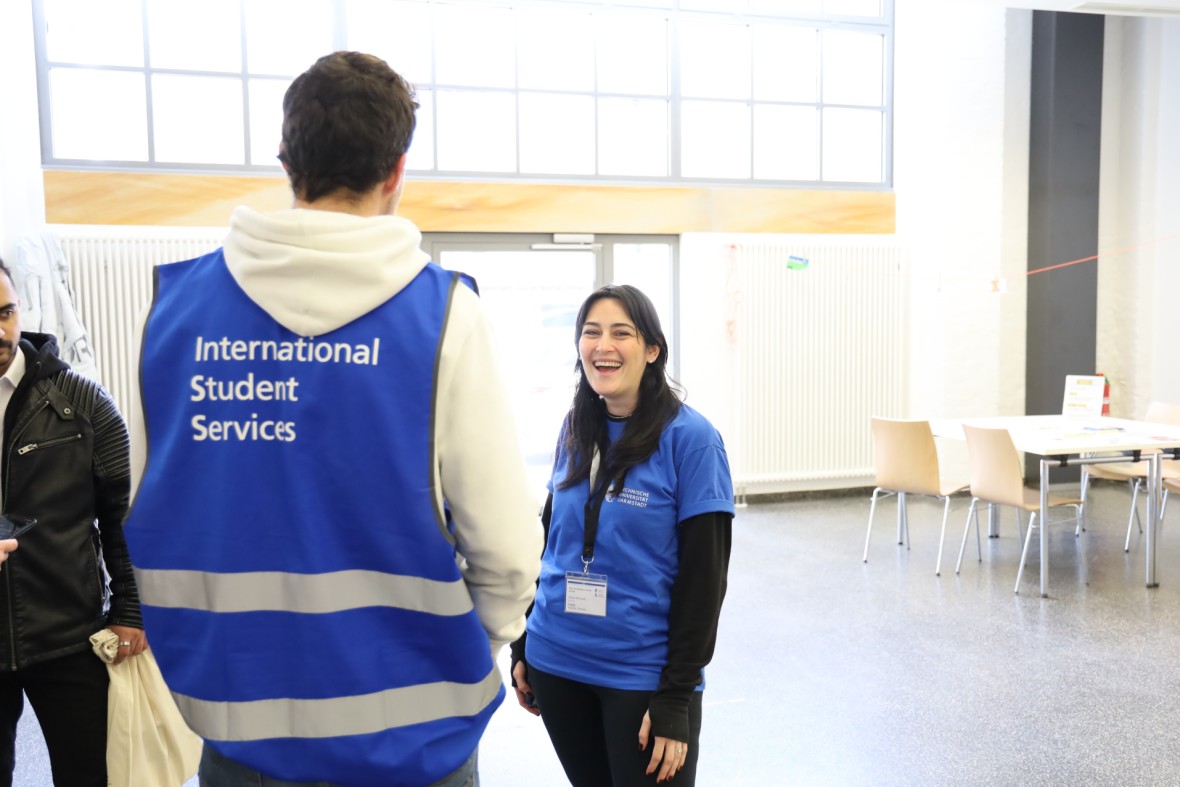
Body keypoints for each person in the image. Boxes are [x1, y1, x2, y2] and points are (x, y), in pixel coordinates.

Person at [120, 51, 542, 787]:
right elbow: (507, 549)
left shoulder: (174, 316)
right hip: (417, 739)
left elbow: (151, 519)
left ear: (287, 160)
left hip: (239, 733)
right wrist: (477, 641)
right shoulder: (443, 318)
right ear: (398, 170)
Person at [510, 284, 734, 786]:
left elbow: (706, 580)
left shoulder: (691, 440)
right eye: (591, 333)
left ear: (652, 350)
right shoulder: (576, 426)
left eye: (621, 333)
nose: (602, 346)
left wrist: (676, 695)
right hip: (557, 662)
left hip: (641, 676)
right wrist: (523, 640)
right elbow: (548, 542)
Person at [0, 257, 146, 787]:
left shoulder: (81, 401)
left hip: (66, 634)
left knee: (90, 775)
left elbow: (124, 515)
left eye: (7, 312)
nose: (1, 331)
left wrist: (130, 607)